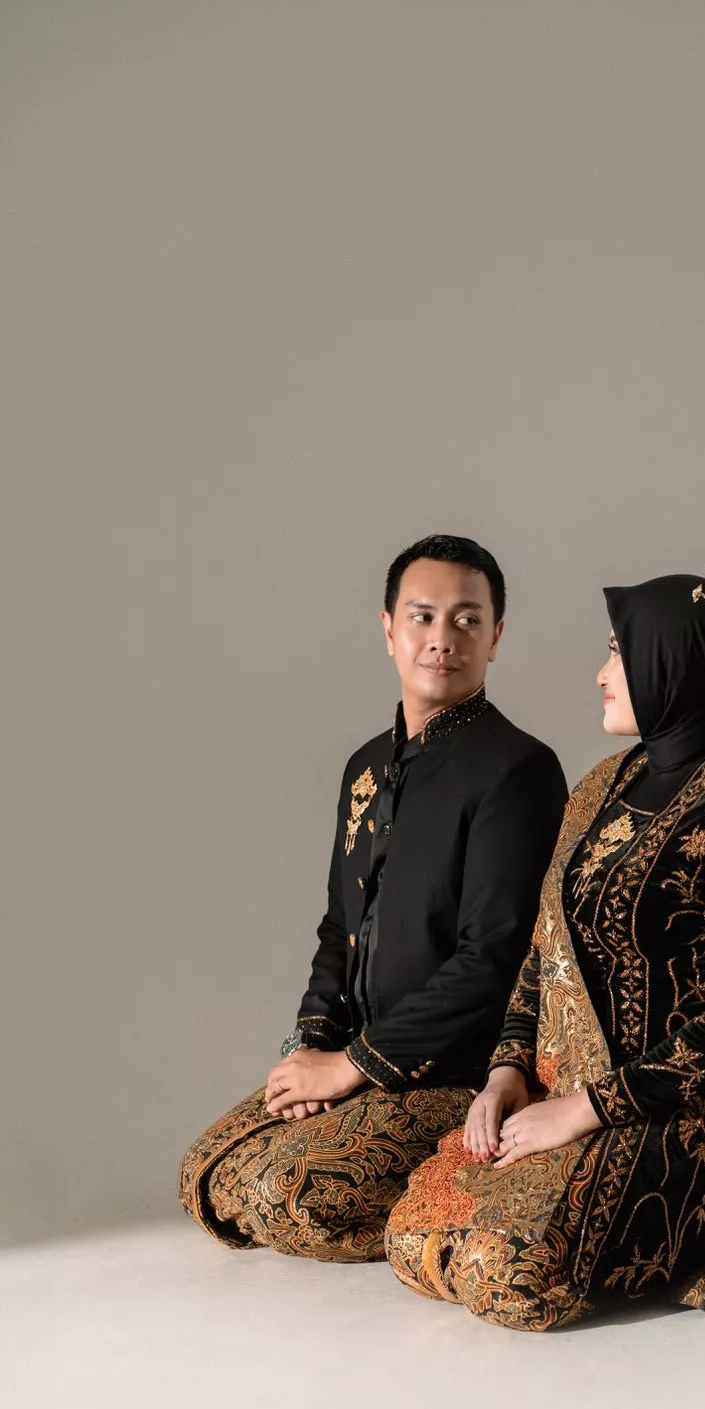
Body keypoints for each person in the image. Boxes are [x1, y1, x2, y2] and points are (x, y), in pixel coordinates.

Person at [386, 540, 705, 1328]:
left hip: (695, 1119)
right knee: (412, 1231)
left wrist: (582, 1111)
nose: (601, 674)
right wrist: (506, 1073)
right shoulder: (603, 784)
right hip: (572, 1094)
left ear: (676, 664)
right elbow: (543, 949)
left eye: (619, 654)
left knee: (508, 1277)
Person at [179, 534, 568, 1261]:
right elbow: (340, 928)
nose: (443, 638)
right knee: (206, 1174)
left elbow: (494, 961)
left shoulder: (518, 768)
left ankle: (455, 1183)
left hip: (457, 1072)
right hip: (354, 1054)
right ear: (388, 629)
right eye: (422, 617)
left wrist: (353, 1067)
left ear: (496, 638)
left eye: (467, 620)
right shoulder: (365, 767)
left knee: (284, 1195)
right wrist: (312, 1050)